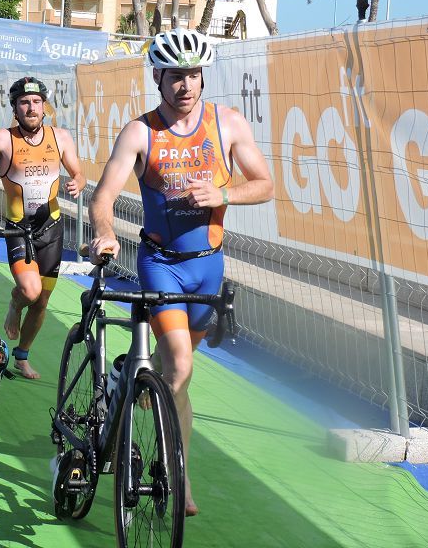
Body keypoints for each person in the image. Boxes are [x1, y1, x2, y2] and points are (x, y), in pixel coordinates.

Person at [87, 28, 273, 517]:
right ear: (158, 78)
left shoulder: (227, 123)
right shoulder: (140, 131)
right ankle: (166, 470)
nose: (185, 85)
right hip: (161, 265)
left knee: (179, 379)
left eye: (193, 75)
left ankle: (168, 450)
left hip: (208, 268)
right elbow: (102, 195)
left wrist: (225, 194)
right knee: (181, 366)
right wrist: (105, 231)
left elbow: (265, 184)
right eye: (175, 76)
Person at [0, 77, 85, 379]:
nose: (31, 107)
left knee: (42, 301)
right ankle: (15, 302)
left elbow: (79, 172)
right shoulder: (3, 139)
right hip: (19, 230)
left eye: (36, 102)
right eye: (24, 103)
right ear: (15, 108)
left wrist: (77, 182)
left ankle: (22, 356)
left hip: (52, 229)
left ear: (45, 107)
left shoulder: (61, 137)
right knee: (30, 291)